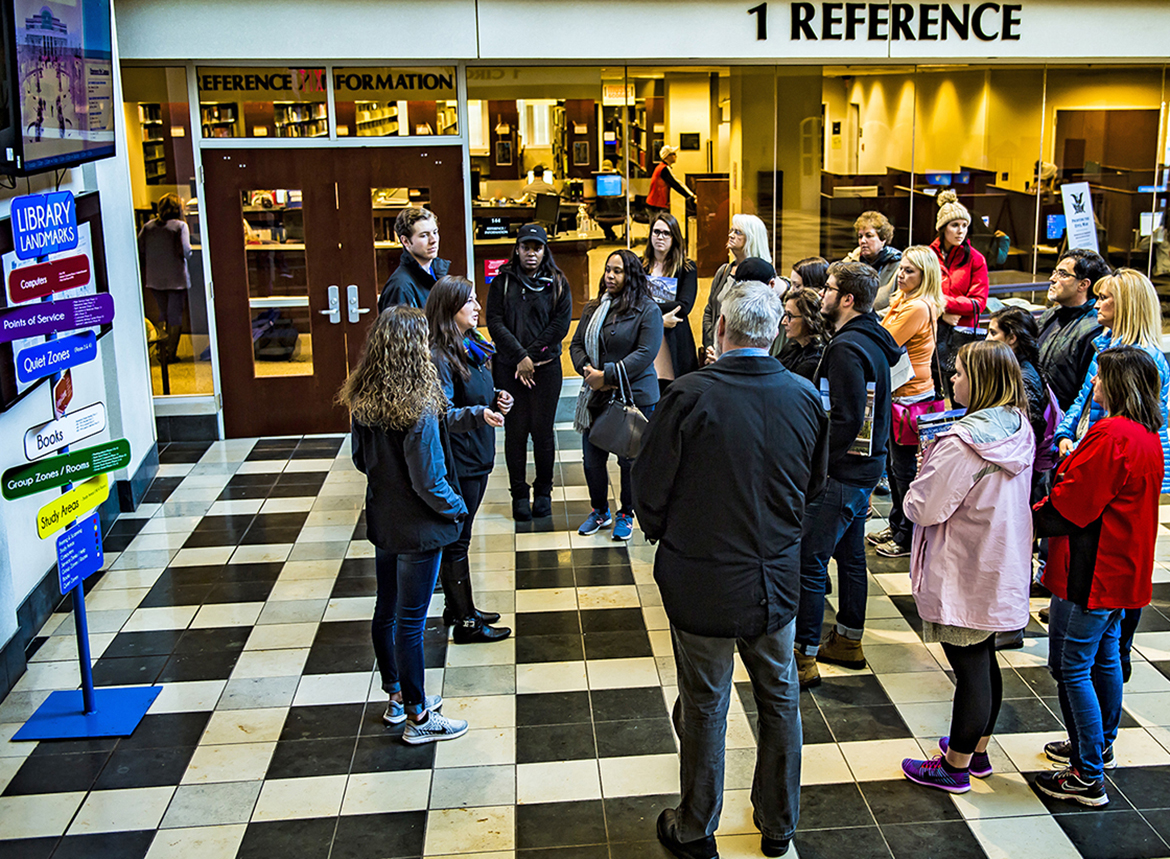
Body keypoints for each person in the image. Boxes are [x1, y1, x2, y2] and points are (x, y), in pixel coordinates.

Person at [633, 280, 828, 859]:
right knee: (780, 698)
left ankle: (696, 828)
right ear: (775, 333)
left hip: (705, 578)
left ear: (720, 328)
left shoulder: (689, 395)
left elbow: (650, 488)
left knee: (704, 702)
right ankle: (779, 824)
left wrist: (667, 531)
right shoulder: (803, 396)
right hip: (775, 579)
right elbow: (813, 484)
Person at [899, 340, 1034, 794]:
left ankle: (954, 767)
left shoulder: (962, 442)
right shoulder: (1017, 424)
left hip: (965, 565)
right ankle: (976, 749)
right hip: (998, 559)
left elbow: (924, 508)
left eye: (957, 372)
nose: (952, 379)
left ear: (979, 381)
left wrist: (921, 475)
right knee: (984, 657)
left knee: (969, 666)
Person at [1033, 346, 1165, 807]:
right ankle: (1098, 745)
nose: (1094, 383)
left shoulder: (1112, 435)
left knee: (1072, 666)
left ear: (1120, 384)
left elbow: (1073, 505)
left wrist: (1026, 518)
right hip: (1123, 566)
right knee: (1105, 656)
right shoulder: (1146, 433)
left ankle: (1087, 774)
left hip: (1095, 569)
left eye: (1101, 377)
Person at [341, 306, 469, 744]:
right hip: (419, 527)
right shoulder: (419, 403)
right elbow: (428, 479)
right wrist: (457, 507)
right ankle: (419, 715)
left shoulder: (363, 398)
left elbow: (361, 460)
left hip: (385, 519)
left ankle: (395, 697)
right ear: (415, 349)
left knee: (387, 609)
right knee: (412, 622)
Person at [1051, 268, 1170, 676]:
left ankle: (1117, 656)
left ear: (1128, 305)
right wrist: (1065, 434)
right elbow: (1082, 400)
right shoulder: (1103, 343)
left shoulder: (1144, 360)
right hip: (1091, 454)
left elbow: (1143, 425)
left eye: (1105, 298)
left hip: (1118, 468)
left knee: (1113, 570)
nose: (1097, 304)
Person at [794, 261, 902, 689]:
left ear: (847, 299)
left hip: (842, 473)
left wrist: (817, 462)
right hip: (866, 467)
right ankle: (847, 640)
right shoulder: (874, 339)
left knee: (810, 560)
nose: (822, 294)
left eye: (829, 288)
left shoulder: (845, 348)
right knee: (851, 557)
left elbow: (848, 418)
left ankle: (803, 655)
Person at [425, 276, 513, 645]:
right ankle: (466, 623)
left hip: (477, 454)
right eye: (470, 302)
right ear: (450, 309)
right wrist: (480, 413)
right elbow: (442, 414)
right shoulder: (440, 355)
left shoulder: (471, 345)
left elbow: (474, 393)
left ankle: (459, 607)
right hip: (460, 460)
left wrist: (497, 397)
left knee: (461, 537)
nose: (477, 308)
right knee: (457, 540)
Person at [570, 249, 664, 541]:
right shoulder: (595, 307)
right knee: (591, 460)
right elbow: (576, 345)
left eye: (617, 271)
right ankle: (600, 511)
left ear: (631, 275)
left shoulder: (647, 310)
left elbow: (645, 353)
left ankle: (627, 513)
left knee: (629, 461)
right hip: (596, 396)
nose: (610, 276)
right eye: (608, 270)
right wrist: (588, 372)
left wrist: (606, 375)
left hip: (634, 396)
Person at [485, 224, 574, 522]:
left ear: (545, 250)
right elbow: (494, 322)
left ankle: (544, 492)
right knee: (515, 433)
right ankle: (519, 494)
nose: (531, 253)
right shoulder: (502, 282)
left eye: (537, 248)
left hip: (545, 371)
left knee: (543, 433)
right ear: (518, 249)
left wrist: (530, 358)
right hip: (509, 371)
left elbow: (559, 327)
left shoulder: (558, 283)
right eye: (526, 247)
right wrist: (519, 357)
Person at [868, 246, 946, 559]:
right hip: (900, 393)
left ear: (925, 276)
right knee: (894, 465)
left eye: (909, 271)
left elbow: (884, 341)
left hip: (910, 396)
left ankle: (905, 536)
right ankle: (897, 523)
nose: (901, 275)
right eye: (901, 268)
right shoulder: (905, 301)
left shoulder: (917, 307)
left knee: (903, 470)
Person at [1037, 249, 1110, 412]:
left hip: (1065, 418)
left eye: (1062, 274)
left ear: (1083, 284)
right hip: (1039, 414)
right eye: (1055, 272)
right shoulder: (1049, 315)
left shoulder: (1094, 329)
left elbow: (1086, 393)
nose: (1052, 279)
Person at [931, 190, 989, 390]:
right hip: (932, 330)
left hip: (962, 336)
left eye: (964, 225)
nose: (960, 231)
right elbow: (917, 294)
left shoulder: (976, 259)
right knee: (933, 391)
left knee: (962, 392)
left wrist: (941, 302)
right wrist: (941, 312)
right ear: (942, 228)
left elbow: (978, 303)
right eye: (954, 225)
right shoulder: (928, 256)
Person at [643, 212, 698, 391]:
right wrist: (659, 319)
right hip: (646, 336)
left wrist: (647, 308)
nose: (660, 237)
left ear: (674, 238)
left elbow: (684, 305)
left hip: (676, 337)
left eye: (666, 233)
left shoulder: (686, 268)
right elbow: (632, 303)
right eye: (656, 232)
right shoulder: (639, 266)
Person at [701, 213, 772, 350]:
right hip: (716, 350)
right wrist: (711, 345)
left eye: (738, 232)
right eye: (731, 231)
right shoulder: (724, 271)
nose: (731, 235)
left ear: (752, 238)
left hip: (743, 352)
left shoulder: (763, 275)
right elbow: (709, 310)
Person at [137, 193, 192, 366]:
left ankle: (161, 350)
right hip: (176, 279)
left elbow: (140, 248)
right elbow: (186, 251)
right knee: (175, 317)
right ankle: (169, 354)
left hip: (155, 279)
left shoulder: (148, 226)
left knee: (163, 314)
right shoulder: (180, 226)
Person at [377, 207, 449, 312]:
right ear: (405, 241)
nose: (433, 240)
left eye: (435, 232)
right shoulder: (400, 287)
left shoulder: (436, 273)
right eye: (424, 235)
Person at [844, 211, 901, 312]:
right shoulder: (849, 263)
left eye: (869, 236)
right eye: (860, 236)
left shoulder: (898, 265)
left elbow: (900, 304)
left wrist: (872, 318)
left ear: (883, 239)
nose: (863, 241)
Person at [777, 287, 825, 380]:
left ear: (808, 319)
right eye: (785, 314)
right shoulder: (793, 345)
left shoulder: (814, 360)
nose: (783, 322)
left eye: (790, 316)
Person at [647, 144, 696, 218]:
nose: (676, 156)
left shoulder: (660, 167)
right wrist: (691, 196)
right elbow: (676, 184)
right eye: (673, 154)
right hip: (658, 205)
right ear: (667, 156)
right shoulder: (664, 169)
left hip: (655, 204)